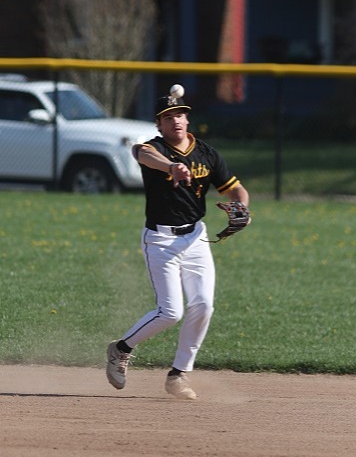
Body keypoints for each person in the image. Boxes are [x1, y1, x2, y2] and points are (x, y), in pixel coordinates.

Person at [105, 85, 250, 400]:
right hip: (160, 240)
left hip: (196, 238)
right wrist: (171, 167)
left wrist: (242, 208)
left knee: (204, 305)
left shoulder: (207, 154)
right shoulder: (153, 149)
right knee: (170, 312)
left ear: (187, 118)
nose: (176, 120)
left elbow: (235, 189)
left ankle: (178, 375)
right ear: (159, 124)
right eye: (168, 117)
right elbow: (142, 154)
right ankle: (121, 349)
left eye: (180, 114)